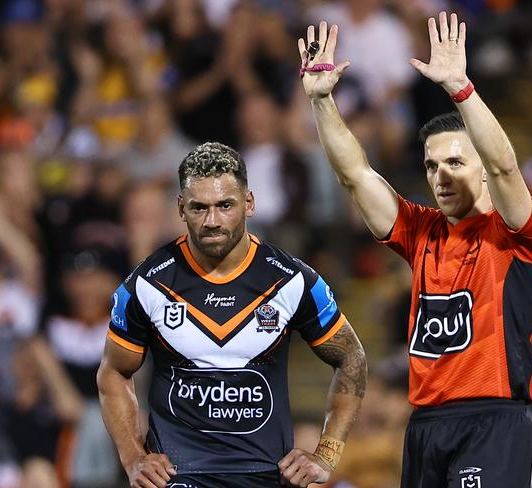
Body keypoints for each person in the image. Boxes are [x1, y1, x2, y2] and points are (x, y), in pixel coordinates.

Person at [299, 12, 532, 488]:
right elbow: (355, 175)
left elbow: (505, 168)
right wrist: (322, 101)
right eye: (432, 165)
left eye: (456, 161)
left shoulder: (517, 232)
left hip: (491, 420)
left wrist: (461, 89)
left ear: (479, 171)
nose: (441, 175)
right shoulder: (422, 232)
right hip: (424, 426)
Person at [96, 142, 367, 488]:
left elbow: (352, 358)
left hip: (266, 477)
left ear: (249, 203)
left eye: (225, 205)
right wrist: (133, 457)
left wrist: (326, 455)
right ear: (181, 208)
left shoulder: (291, 280)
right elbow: (114, 372)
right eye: (199, 208)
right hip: (180, 477)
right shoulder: (148, 284)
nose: (212, 221)